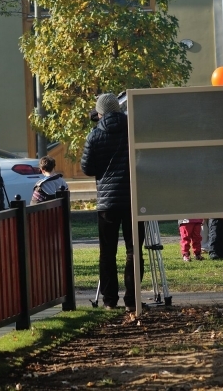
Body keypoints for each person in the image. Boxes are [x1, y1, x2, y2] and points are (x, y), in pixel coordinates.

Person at [80, 93, 143, 312]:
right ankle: (132, 300)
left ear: (100, 113)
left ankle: (109, 299)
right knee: (133, 251)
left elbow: (87, 168)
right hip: (133, 199)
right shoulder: (133, 129)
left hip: (107, 203)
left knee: (107, 252)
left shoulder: (95, 135)